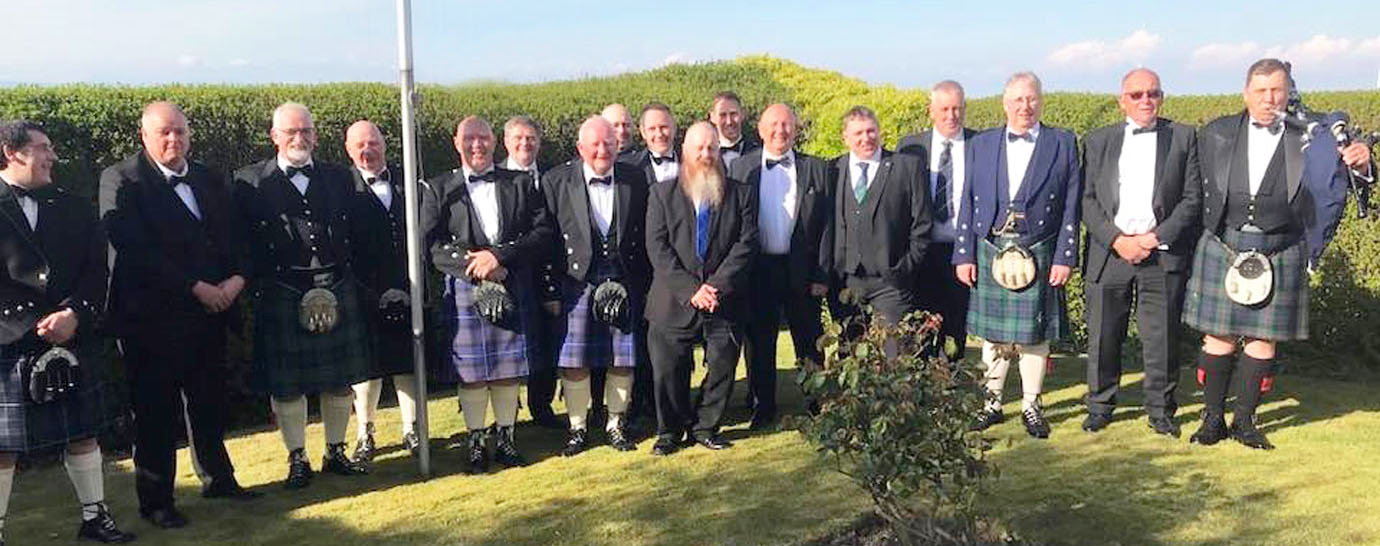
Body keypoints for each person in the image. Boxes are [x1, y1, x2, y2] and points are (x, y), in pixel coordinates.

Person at [1184, 58, 1373, 450]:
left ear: (1289, 92)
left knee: (1262, 340)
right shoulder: (1216, 133)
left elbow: (1346, 174)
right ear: (1245, 93)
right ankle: (1212, 419)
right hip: (1223, 243)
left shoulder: (1313, 137)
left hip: (1281, 246)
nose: (1269, 99)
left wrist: (1363, 161)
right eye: (1261, 91)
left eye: (1277, 90)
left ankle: (1246, 422)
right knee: (1217, 336)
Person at [100, 102, 258, 529]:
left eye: (181, 133)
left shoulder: (208, 177)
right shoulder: (121, 179)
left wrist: (236, 280)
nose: (175, 140)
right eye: (165, 133)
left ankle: (218, 479)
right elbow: (134, 248)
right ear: (144, 135)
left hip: (210, 314)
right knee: (155, 413)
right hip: (150, 320)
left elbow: (236, 236)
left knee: (208, 402)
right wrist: (197, 287)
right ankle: (157, 501)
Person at [0, 120, 135, 543]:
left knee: (82, 433)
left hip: (70, 333)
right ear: (10, 152)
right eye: (42, 148)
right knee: (2, 448)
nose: (51, 156)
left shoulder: (72, 205)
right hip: (8, 338)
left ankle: (95, 519)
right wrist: (24, 323)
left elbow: (97, 269)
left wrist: (75, 312)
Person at [232, 103, 371, 488]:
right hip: (282, 289)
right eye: (291, 132)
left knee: (339, 379)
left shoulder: (339, 177)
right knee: (287, 385)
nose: (300, 138)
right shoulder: (250, 181)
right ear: (274, 136)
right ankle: (297, 457)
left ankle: (335, 450)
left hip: (335, 284)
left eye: (306, 131)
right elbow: (241, 240)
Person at [420, 116, 551, 472]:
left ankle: (507, 440)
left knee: (508, 369)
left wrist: (500, 256)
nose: (476, 145)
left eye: (483, 139)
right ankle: (476, 442)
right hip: (465, 288)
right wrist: (475, 266)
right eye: (469, 139)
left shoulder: (521, 183)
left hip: (511, 281)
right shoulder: (438, 188)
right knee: (472, 372)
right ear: (455, 141)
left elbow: (541, 233)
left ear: (495, 142)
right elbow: (431, 246)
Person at [955, 72, 1081, 439]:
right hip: (991, 245)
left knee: (1034, 335)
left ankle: (1031, 405)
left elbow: (1071, 205)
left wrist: (1065, 256)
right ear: (1004, 103)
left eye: (1031, 99)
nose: (1025, 106)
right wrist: (964, 254)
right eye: (1017, 100)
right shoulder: (981, 143)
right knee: (993, 337)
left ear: (1041, 101)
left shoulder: (1062, 142)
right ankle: (991, 404)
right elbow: (966, 200)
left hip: (1038, 246)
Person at [1080, 69, 1202, 437]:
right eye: (1136, 94)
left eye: (1153, 93)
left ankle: (1161, 411)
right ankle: (1100, 406)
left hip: (1161, 253)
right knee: (1103, 335)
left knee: (1161, 337)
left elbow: (1192, 199)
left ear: (1161, 97)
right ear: (1122, 101)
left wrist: (1152, 238)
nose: (1145, 100)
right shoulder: (1098, 140)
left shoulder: (1182, 137)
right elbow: (1086, 201)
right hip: (1110, 252)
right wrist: (1118, 240)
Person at [644, 121, 758, 456]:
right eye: (699, 148)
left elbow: (746, 244)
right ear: (685, 152)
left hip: (723, 298)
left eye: (712, 148)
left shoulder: (740, 193)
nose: (706, 155)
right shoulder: (661, 194)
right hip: (673, 298)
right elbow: (657, 247)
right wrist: (691, 289)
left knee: (723, 363)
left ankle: (706, 426)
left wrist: (714, 286)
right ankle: (670, 431)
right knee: (668, 370)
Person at [540, 117, 651, 455]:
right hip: (576, 281)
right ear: (580, 148)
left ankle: (615, 424)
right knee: (574, 361)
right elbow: (546, 240)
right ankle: (577, 427)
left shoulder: (635, 178)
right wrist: (550, 291)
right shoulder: (556, 180)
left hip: (623, 277)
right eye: (595, 144)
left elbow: (645, 234)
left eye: (608, 143)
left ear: (617, 145)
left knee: (623, 358)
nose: (602, 150)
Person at [730, 104, 831, 429]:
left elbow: (828, 227)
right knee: (760, 342)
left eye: (787, 125)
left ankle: (817, 401)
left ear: (796, 129)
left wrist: (821, 273)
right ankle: (762, 407)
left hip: (802, 269)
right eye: (773, 125)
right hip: (758, 270)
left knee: (808, 338)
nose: (780, 131)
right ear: (759, 130)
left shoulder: (817, 168)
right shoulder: (741, 168)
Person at [342, 120, 422, 462]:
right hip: (362, 289)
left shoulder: (409, 183)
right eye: (359, 144)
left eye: (373, 142)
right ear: (348, 148)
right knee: (366, 369)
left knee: (408, 363)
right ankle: (365, 433)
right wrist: (372, 293)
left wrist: (409, 288)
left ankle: (412, 429)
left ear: (384, 145)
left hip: (409, 286)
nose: (367, 150)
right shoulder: (342, 188)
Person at [831, 106, 932, 326]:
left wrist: (904, 268)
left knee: (895, 355)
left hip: (891, 284)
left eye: (871, 131)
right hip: (846, 282)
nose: (866, 138)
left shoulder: (907, 167)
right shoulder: (833, 169)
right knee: (850, 355)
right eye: (858, 133)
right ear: (845, 138)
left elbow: (922, 224)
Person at [897, 81, 976, 358]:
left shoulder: (979, 144)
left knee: (956, 324)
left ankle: (951, 384)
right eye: (944, 109)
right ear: (931, 111)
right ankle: (921, 387)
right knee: (919, 326)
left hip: (962, 252)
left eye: (957, 108)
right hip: (922, 250)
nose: (951, 115)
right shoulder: (909, 147)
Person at [629, 103, 680, 184]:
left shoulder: (691, 160)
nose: (659, 134)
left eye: (664, 127)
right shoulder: (631, 168)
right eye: (652, 129)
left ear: (674, 127)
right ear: (643, 132)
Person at [709, 92, 759, 170]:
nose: (729, 121)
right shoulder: (706, 154)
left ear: (742, 114)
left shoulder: (758, 153)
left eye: (733, 114)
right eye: (723, 115)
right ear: (712, 117)